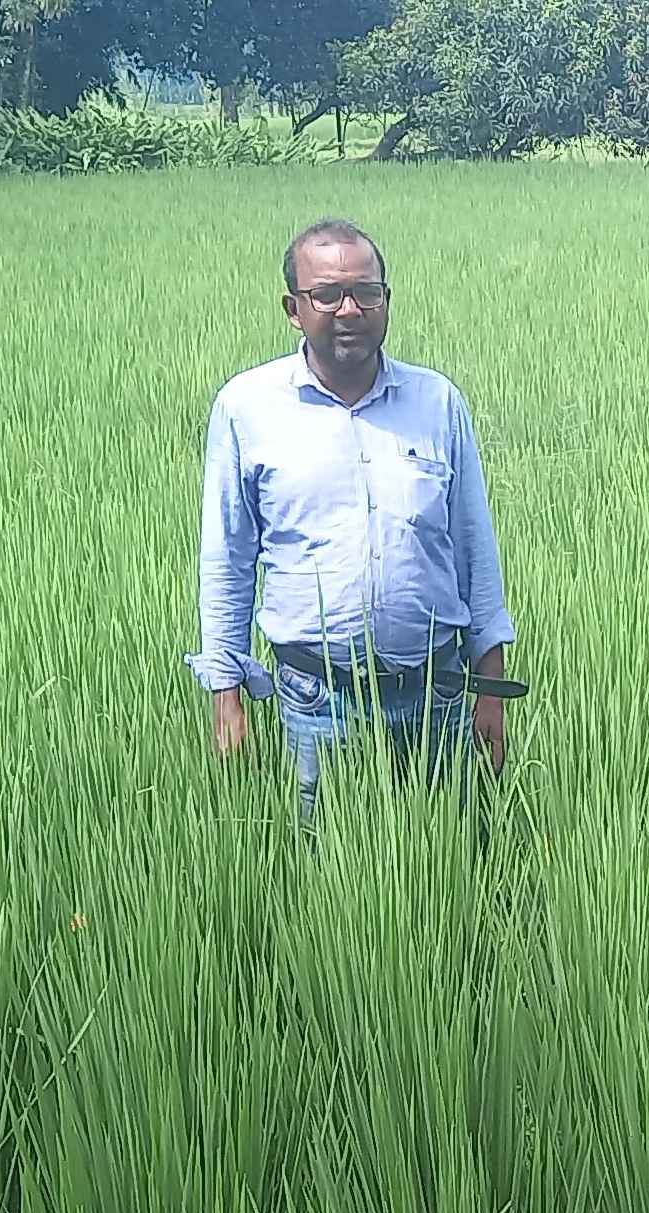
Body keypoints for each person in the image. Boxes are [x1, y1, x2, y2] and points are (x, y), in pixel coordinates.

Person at [193, 219, 517, 822]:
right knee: (323, 864)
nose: (350, 310)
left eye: (366, 293)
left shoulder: (437, 402)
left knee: (447, 858)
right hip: (317, 704)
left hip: (436, 698)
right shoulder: (247, 408)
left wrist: (492, 694)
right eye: (327, 295)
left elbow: (474, 553)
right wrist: (225, 695)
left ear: (385, 300)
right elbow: (227, 561)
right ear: (293, 309)